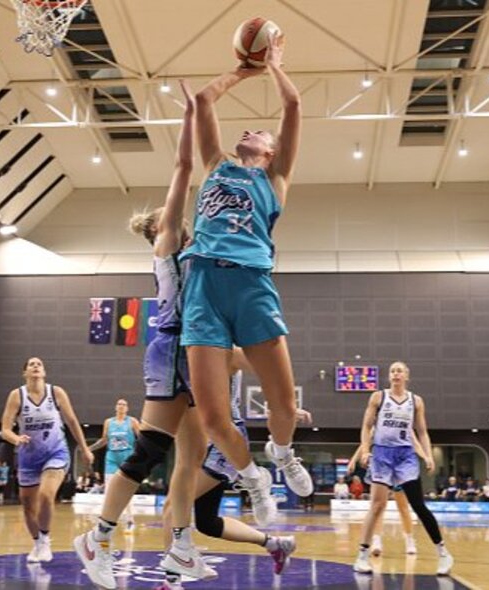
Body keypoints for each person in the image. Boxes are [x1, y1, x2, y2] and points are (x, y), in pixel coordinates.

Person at [76, 81, 214, 589]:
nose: (179, 216)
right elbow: (184, 170)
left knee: (193, 455)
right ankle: (99, 535)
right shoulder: (167, 242)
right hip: (171, 347)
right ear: (162, 227)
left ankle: (180, 545)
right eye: (172, 216)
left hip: (193, 350)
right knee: (151, 452)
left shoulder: (189, 249)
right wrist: (192, 116)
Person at [181, 29, 312, 532]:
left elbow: (293, 105)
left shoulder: (273, 180)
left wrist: (274, 62)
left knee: (284, 405)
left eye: (262, 131)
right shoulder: (215, 165)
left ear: (272, 152)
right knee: (214, 419)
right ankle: (252, 479)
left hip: (252, 284)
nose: (253, 130)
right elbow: (202, 99)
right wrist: (243, 68)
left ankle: (282, 452)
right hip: (203, 287)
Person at [158, 349, 299, 590]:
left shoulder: (224, 351)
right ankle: (276, 545)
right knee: (207, 521)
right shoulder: (182, 354)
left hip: (221, 441)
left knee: (173, 506)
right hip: (197, 439)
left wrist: (280, 407)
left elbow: (270, 369)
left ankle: (172, 582)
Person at [353, 361, 452, 576]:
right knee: (377, 505)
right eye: (392, 371)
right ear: (389, 376)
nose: (395, 374)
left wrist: (427, 455)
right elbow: (367, 426)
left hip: (405, 455)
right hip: (381, 454)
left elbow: (422, 431)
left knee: (417, 505)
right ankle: (362, 555)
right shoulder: (378, 397)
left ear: (407, 376)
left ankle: (443, 553)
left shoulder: (416, 401)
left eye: (399, 371)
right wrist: (365, 450)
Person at [1, 357, 93, 564]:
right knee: (27, 505)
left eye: (39, 364)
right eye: (31, 364)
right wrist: (16, 438)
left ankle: (45, 538)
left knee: (46, 494)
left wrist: (85, 449)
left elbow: (72, 421)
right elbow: (5, 429)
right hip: (28, 456)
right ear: (25, 373)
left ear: (44, 372)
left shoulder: (56, 393)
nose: (35, 366)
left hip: (56, 453)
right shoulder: (17, 396)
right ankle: (38, 543)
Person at [349, 436, 420, 557]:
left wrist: (425, 456)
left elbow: (414, 442)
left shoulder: (404, 425)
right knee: (378, 507)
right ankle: (376, 540)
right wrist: (353, 460)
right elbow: (365, 442)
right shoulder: (378, 425)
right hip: (380, 466)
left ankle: (409, 540)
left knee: (403, 507)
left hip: (398, 467)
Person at [88, 398, 140, 532]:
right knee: (109, 489)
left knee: (126, 490)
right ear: (116, 407)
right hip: (111, 457)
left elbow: (142, 438)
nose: (121, 406)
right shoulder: (108, 422)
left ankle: (129, 519)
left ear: (127, 408)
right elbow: (104, 439)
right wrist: (89, 448)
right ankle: (105, 521)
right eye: (119, 404)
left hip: (127, 456)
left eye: (124, 404)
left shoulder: (132, 421)